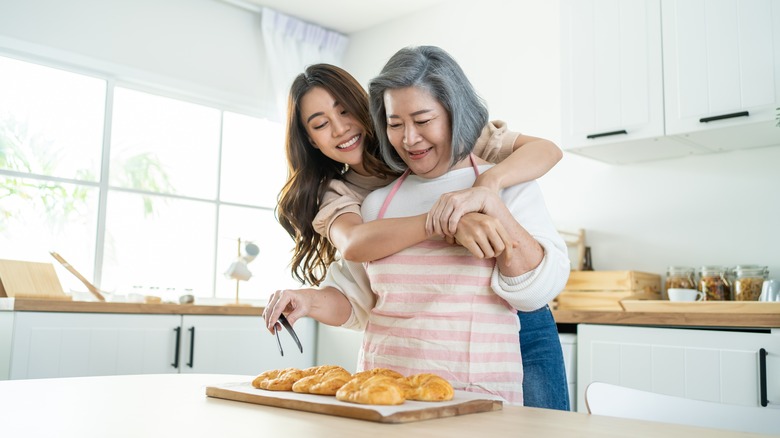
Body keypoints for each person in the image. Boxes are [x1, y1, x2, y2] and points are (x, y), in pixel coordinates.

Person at [265, 46, 570, 405]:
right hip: (400, 374)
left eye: (344, 111)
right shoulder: (354, 198)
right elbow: (357, 268)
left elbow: (547, 150)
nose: (410, 139)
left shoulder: (482, 158)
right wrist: (446, 221)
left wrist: (488, 189)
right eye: (320, 124)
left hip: (515, 333)